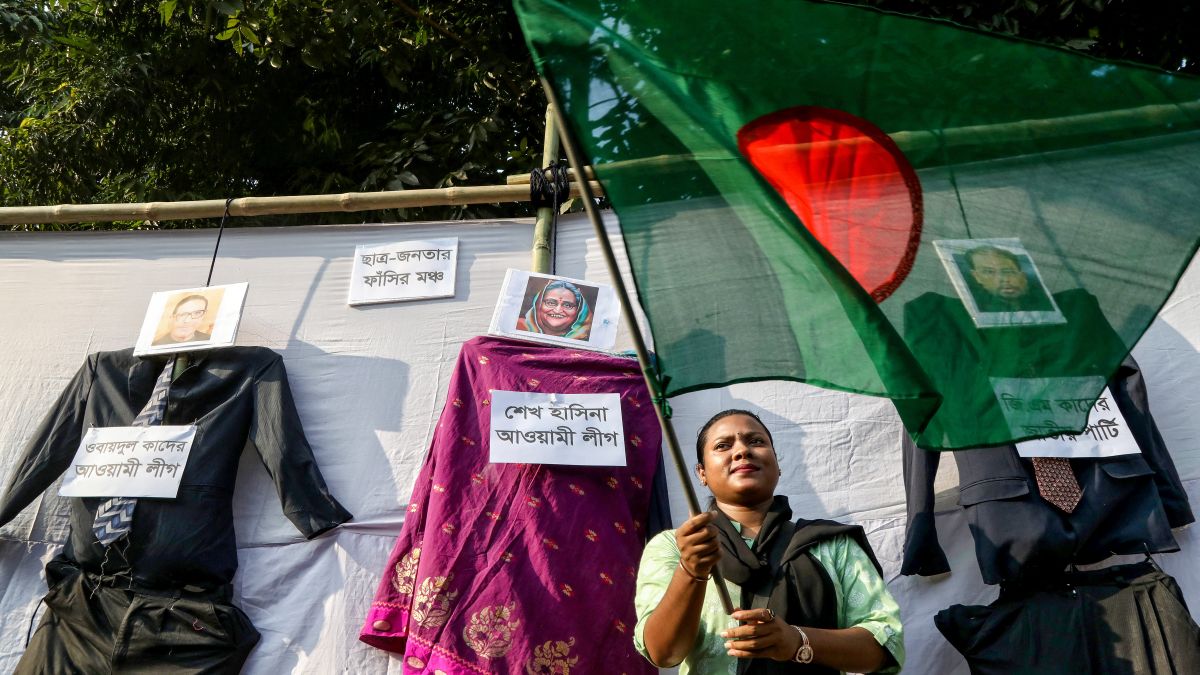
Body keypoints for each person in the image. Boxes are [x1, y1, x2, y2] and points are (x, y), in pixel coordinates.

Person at [634, 410, 903, 674]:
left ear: (777, 464)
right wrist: (691, 571)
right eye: (723, 445)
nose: (742, 451)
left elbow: (885, 643)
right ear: (701, 473)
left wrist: (797, 641)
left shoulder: (832, 546)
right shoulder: (674, 546)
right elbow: (663, 653)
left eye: (756, 441)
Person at [962, 245, 1054, 313]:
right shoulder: (973, 311)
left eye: (1007, 271)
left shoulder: (1046, 304)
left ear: (1022, 276)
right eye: (989, 272)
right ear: (977, 277)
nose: (1003, 279)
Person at [515, 279, 592, 339]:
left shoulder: (585, 337)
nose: (558, 310)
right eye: (551, 303)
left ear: (579, 310)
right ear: (538, 304)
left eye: (568, 305)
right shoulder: (518, 327)